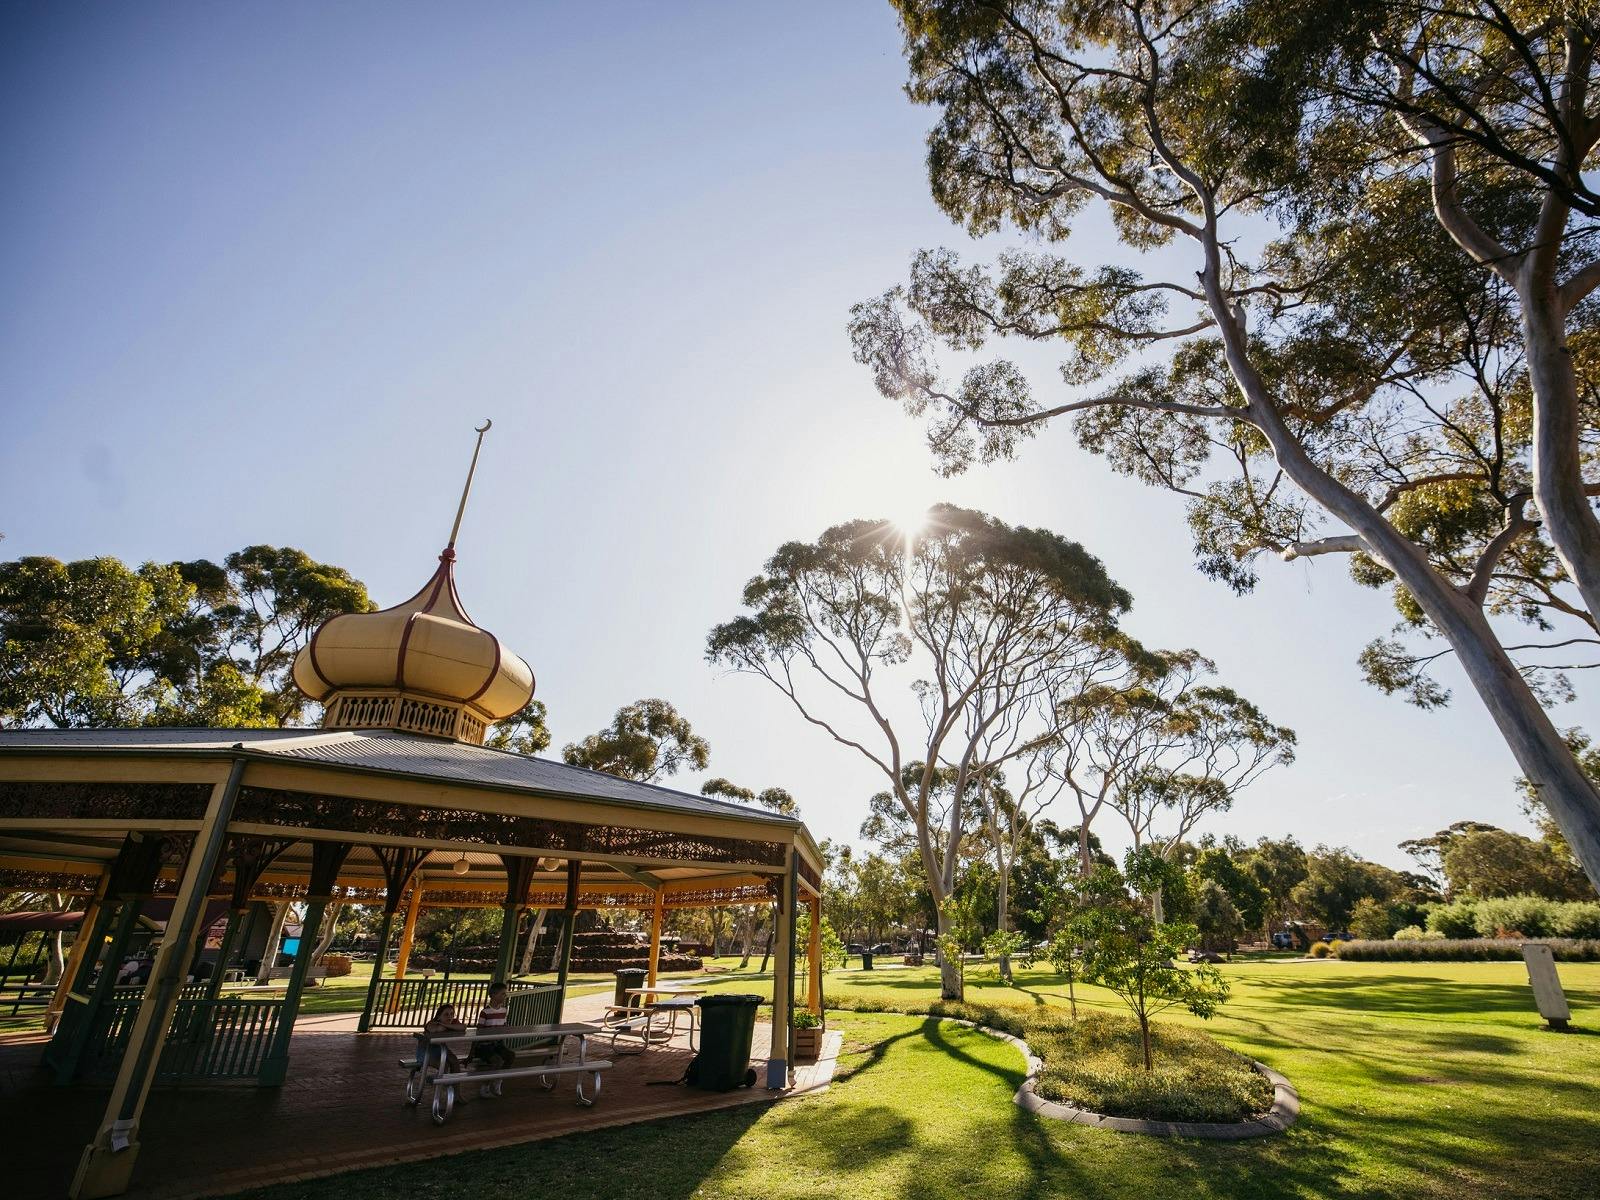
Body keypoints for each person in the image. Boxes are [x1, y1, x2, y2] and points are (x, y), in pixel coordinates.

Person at [471, 981, 514, 1096]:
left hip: (497, 1044)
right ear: (494, 995)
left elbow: (504, 1026)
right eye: (502, 994)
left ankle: (498, 1080)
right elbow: (479, 1031)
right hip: (485, 1045)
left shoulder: (504, 1011)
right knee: (497, 1060)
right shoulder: (485, 1012)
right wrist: (472, 1051)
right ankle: (485, 1085)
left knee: (510, 1055)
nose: (505, 996)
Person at [417, 1002, 466, 1074]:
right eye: (446, 1014)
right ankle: (442, 1084)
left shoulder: (452, 1022)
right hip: (426, 1051)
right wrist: (446, 1025)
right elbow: (437, 1029)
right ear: (439, 1016)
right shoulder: (432, 1023)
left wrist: (445, 1024)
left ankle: (454, 1084)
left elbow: (463, 1027)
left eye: (452, 1014)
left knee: (455, 1061)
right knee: (444, 1065)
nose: (450, 1017)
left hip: (442, 1049)